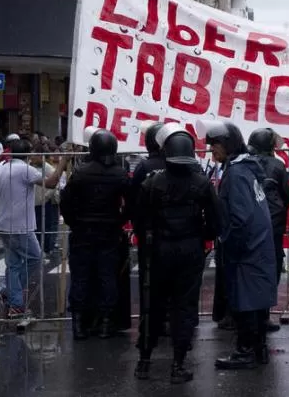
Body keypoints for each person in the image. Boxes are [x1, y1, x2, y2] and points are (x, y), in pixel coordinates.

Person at [134, 124, 220, 383]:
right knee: (184, 306)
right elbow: (216, 221)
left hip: (159, 250)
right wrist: (201, 236)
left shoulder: (152, 182)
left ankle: (144, 362)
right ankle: (178, 364)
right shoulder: (201, 183)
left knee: (153, 305)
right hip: (190, 249)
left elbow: (139, 220)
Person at [207, 120, 277, 370]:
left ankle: (245, 352)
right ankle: (258, 349)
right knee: (255, 301)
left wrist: (229, 246)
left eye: (214, 144)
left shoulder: (236, 173)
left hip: (246, 249)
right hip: (258, 246)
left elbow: (239, 218)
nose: (211, 150)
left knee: (245, 302)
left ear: (227, 144)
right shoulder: (246, 168)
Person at [59, 129, 131, 338]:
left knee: (80, 277)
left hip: (83, 231)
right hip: (109, 232)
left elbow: (66, 201)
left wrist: (74, 222)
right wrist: (119, 221)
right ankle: (106, 323)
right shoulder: (119, 173)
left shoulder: (81, 172)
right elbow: (132, 202)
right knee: (107, 277)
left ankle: (79, 325)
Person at [0, 139, 65, 319]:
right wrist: (64, 161)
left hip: (3, 224)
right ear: (27, 154)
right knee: (36, 257)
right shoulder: (24, 169)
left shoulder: (2, 168)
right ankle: (14, 300)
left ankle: (11, 296)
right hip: (19, 226)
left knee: (14, 264)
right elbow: (51, 183)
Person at [247, 127, 289, 333]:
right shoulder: (277, 166)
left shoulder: (243, 164)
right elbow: (287, 196)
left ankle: (249, 316)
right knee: (271, 269)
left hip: (249, 225)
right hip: (272, 226)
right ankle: (263, 315)